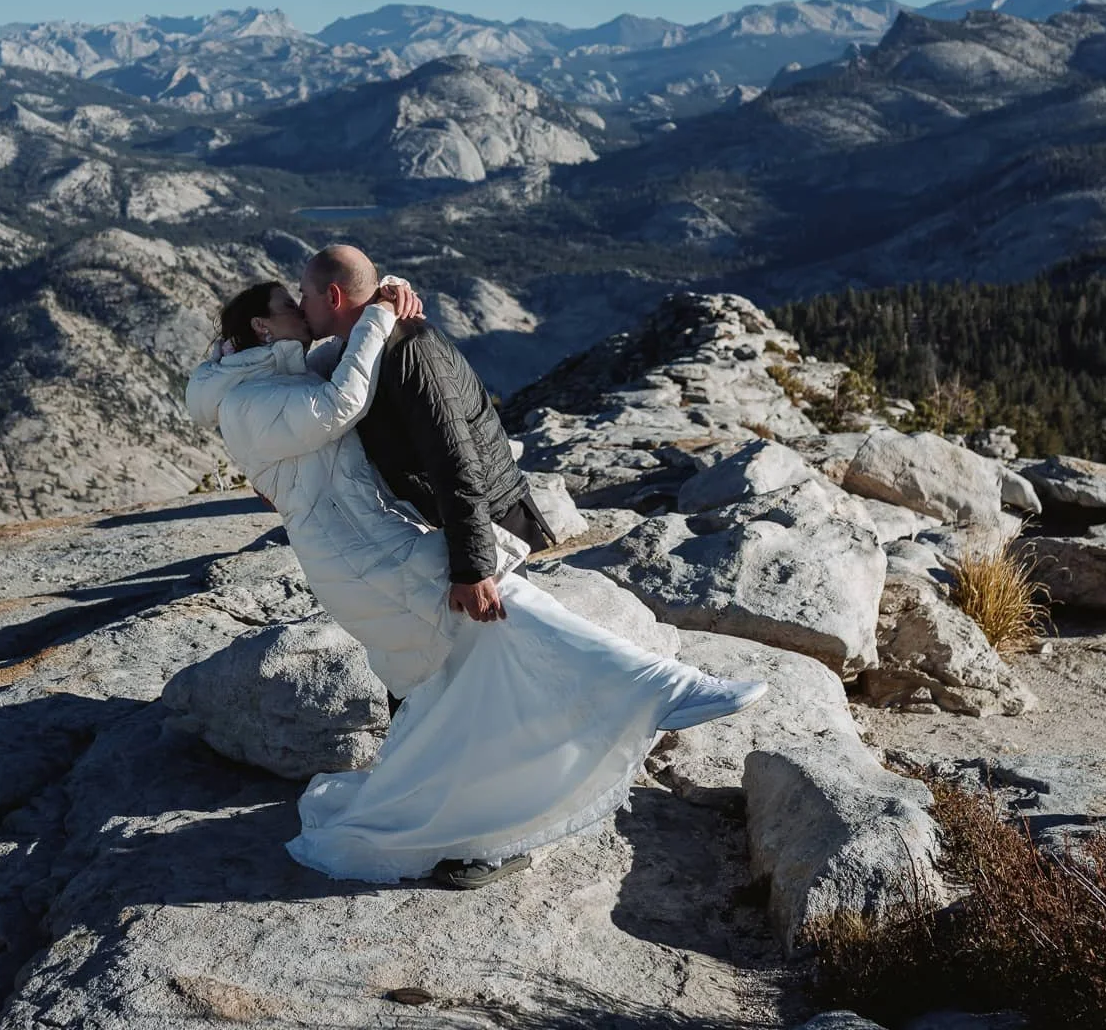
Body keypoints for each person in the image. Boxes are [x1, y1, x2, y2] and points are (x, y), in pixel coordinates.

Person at [184, 255, 764, 889]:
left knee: (446, 680)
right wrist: (377, 312)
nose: (298, 305)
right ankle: (659, 688)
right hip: (357, 555)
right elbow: (339, 402)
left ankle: (450, 816)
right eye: (287, 303)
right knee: (500, 607)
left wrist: (384, 298)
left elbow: (344, 367)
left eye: (303, 296)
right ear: (265, 330)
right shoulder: (249, 402)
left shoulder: (278, 376)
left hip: (374, 540)